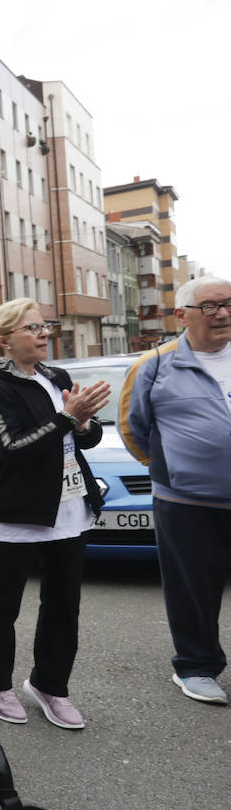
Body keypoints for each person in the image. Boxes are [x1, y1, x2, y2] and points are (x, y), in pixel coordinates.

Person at [0, 298, 108, 730]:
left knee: (64, 606)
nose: (45, 333)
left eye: (44, 325)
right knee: (3, 605)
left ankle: (50, 686)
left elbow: (84, 439)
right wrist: (69, 418)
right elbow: (12, 450)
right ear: (5, 341)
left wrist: (83, 425)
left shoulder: (57, 377)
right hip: (16, 512)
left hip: (67, 511)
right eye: (32, 328)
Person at [119, 275, 231, 705]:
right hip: (186, 502)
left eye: (226, 303)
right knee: (192, 588)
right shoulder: (155, 364)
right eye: (209, 306)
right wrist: (168, 469)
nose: (221, 313)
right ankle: (196, 667)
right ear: (182, 314)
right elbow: (133, 427)